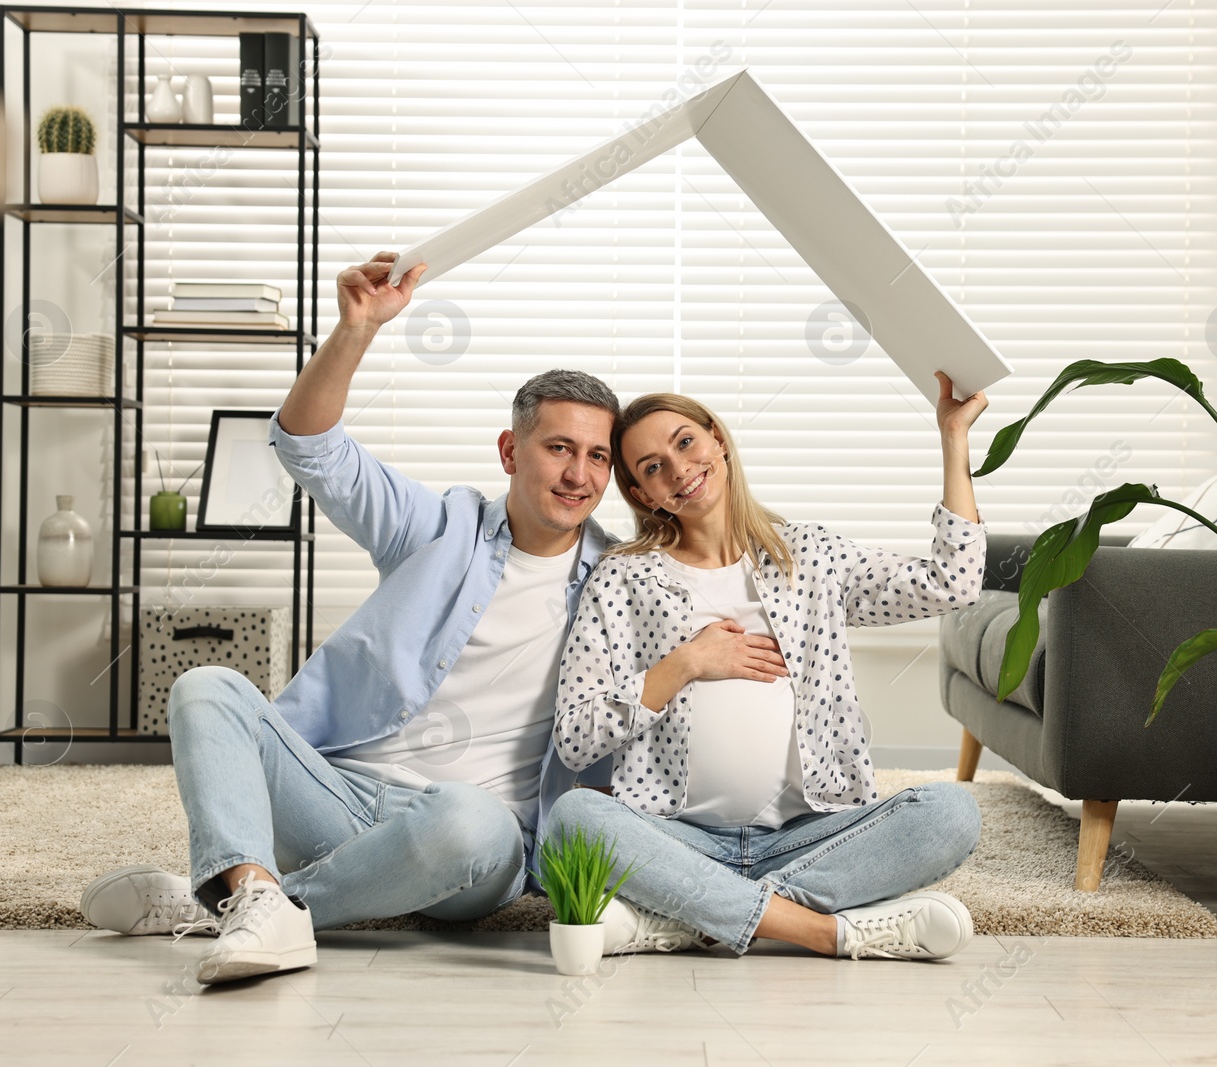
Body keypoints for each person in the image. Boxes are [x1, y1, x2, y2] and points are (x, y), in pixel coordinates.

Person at [80, 253, 619, 985]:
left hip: (469, 843)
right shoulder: (436, 526)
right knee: (205, 685)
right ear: (510, 450)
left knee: (473, 821)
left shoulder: (622, 580)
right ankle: (256, 896)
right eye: (559, 447)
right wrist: (355, 330)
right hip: (338, 797)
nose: (578, 474)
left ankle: (237, 900)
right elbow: (309, 447)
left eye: (597, 456)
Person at [545, 373, 988, 961]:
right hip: (681, 838)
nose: (677, 470)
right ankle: (818, 929)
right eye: (651, 468)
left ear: (717, 441)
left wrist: (953, 438)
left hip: (808, 835)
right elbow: (575, 742)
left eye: (684, 443)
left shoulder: (810, 555)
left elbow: (951, 584)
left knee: (950, 812)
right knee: (574, 817)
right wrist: (684, 664)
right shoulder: (624, 579)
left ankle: (694, 917)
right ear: (642, 493)